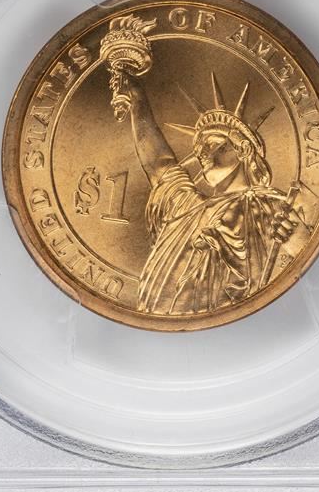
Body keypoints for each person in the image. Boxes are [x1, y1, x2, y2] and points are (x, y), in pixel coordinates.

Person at [116, 72, 298, 315]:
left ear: (243, 149)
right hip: (160, 322)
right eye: (198, 148)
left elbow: (303, 259)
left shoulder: (270, 207)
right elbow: (159, 165)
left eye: (211, 144)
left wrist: (295, 239)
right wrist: (137, 100)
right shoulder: (187, 208)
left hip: (230, 325)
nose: (201, 153)